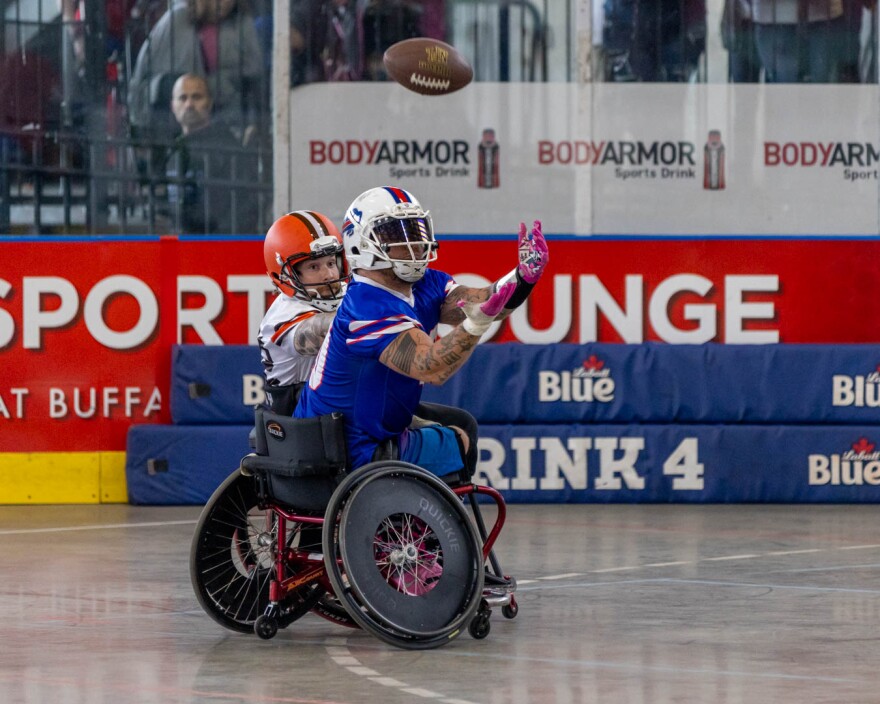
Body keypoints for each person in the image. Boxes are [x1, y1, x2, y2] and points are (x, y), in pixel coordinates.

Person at [294, 186, 549, 478]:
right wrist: (477, 324)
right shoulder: (367, 306)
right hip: (349, 448)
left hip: (366, 429)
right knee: (459, 440)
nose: (413, 242)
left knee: (461, 423)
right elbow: (433, 368)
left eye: (414, 229)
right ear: (361, 244)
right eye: (395, 233)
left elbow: (486, 301)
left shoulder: (424, 283)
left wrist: (523, 277)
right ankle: (433, 522)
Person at [258, 209, 350, 414]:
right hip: (300, 420)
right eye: (314, 267)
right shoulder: (283, 314)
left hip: (341, 407)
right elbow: (322, 332)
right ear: (286, 276)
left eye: (331, 263)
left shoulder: (344, 292)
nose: (328, 274)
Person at [162, 73, 258, 234]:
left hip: (216, 244)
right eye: (182, 98)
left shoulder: (224, 146)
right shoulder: (177, 147)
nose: (189, 104)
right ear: (173, 106)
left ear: (209, 103)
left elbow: (236, 208)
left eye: (196, 97)